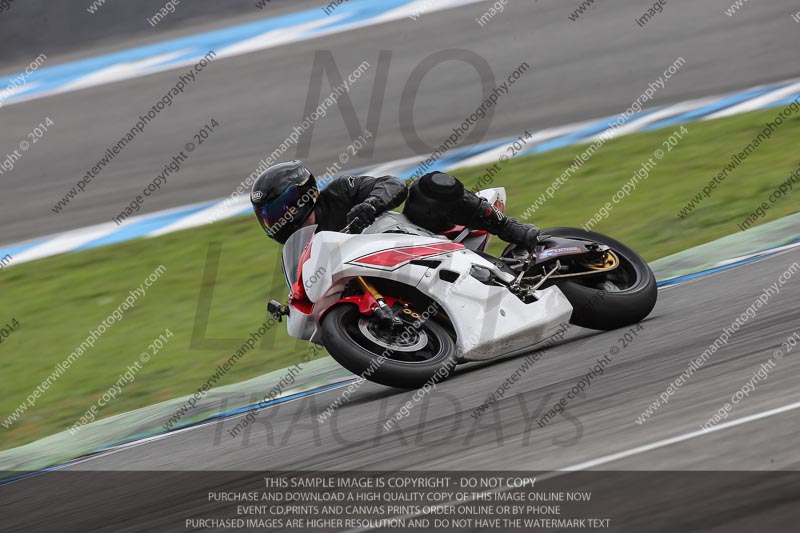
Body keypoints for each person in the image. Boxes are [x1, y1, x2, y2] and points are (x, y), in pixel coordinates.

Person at [250, 160, 540, 249]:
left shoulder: (339, 192)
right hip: (378, 271)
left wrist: (371, 205)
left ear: (301, 195)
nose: (276, 220)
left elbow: (393, 184)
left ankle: (510, 228)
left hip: (415, 236)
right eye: (267, 217)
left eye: (277, 210)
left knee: (430, 185)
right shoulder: (299, 250)